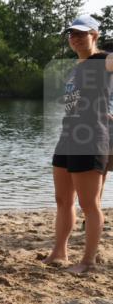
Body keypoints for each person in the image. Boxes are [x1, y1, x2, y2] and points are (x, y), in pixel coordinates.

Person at [45, 15, 112, 274]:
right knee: (62, 199)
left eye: (81, 33)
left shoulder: (102, 60)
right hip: (68, 136)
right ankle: (59, 252)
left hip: (91, 138)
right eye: (72, 33)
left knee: (89, 204)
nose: (75, 38)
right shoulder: (76, 67)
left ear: (94, 34)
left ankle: (87, 262)